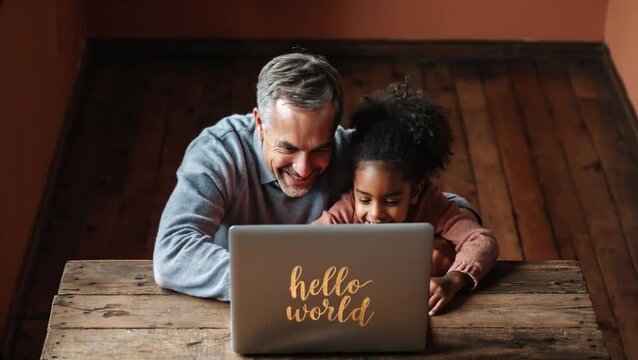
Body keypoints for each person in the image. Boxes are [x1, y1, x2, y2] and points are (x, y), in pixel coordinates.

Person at [153, 52, 479, 302]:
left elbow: (439, 199)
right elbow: (173, 253)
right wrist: (287, 281)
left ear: (334, 131)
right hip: (239, 304)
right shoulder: (218, 155)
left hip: (341, 302)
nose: (304, 168)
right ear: (260, 123)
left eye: (320, 149)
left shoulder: (348, 150)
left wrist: (439, 240)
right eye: (288, 148)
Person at [312, 83, 499, 316]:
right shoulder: (347, 207)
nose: (375, 213)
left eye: (391, 201)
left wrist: (452, 280)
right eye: (365, 199)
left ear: (416, 191)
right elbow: (309, 241)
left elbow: (481, 240)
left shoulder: (430, 203)